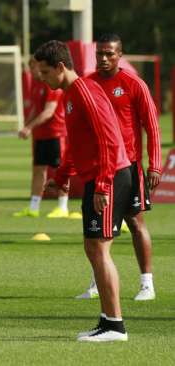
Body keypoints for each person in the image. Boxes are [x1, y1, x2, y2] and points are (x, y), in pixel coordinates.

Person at [36, 40, 132, 342]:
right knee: (93, 247)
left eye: (45, 71)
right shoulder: (70, 95)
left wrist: (103, 185)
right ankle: (106, 320)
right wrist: (62, 176)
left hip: (111, 177)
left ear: (61, 67)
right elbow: (78, 143)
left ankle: (115, 326)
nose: (41, 78)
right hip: (100, 178)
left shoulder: (86, 91)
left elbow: (109, 139)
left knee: (100, 249)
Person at [77, 33, 161, 301]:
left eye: (109, 54)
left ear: (120, 55)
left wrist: (155, 166)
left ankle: (146, 283)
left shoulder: (133, 84)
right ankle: (97, 283)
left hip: (130, 167)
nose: (103, 58)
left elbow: (152, 126)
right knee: (98, 228)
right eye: (99, 53)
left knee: (135, 223)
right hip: (100, 168)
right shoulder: (87, 84)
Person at [14, 56, 77, 219]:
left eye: (33, 67)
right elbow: (36, 108)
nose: (32, 71)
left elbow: (49, 112)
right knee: (38, 170)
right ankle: (34, 207)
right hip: (41, 135)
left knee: (60, 170)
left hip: (56, 133)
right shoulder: (36, 86)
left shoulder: (51, 85)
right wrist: (26, 126)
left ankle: (63, 207)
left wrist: (29, 127)